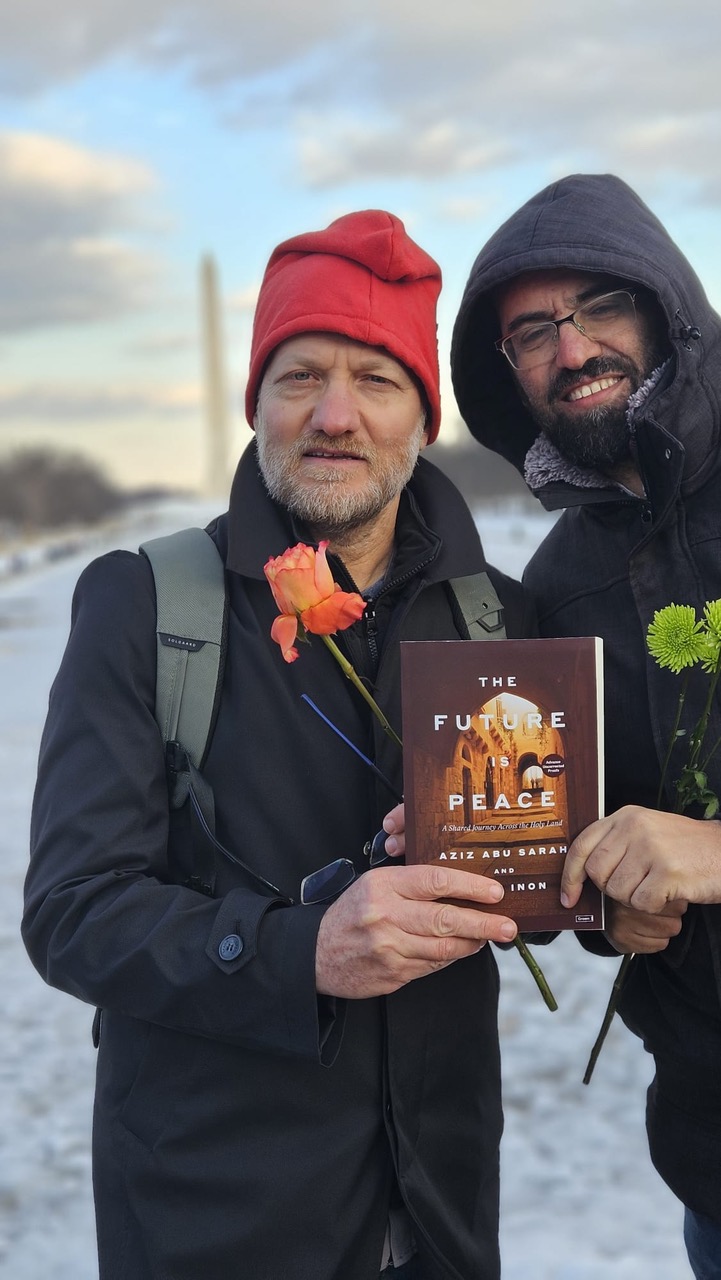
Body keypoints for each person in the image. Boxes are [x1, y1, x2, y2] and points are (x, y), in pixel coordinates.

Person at [23, 209, 534, 1280]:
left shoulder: (501, 619)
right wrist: (302, 952)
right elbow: (72, 912)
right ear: (253, 401)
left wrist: (602, 887)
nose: (334, 414)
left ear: (423, 416)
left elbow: (550, 865)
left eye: (377, 379)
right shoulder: (146, 605)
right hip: (216, 1218)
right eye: (300, 375)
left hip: (441, 1211)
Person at [450, 173, 721, 1277]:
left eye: (600, 305)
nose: (571, 349)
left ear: (666, 306)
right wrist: (611, 909)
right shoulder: (555, 590)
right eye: (532, 333)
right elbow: (598, 834)